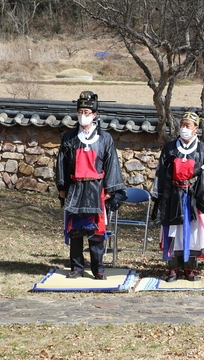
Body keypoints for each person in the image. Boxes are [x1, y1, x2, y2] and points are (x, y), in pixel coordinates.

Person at [56, 91, 126, 280]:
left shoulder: (105, 139)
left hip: (97, 189)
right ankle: (76, 267)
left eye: (87, 111)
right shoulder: (69, 137)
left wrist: (111, 190)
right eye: (80, 111)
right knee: (76, 231)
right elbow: (61, 163)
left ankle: (98, 268)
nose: (83, 115)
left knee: (96, 231)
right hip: (76, 188)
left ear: (95, 115)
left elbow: (112, 164)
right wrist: (62, 187)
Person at [151, 110, 204, 282]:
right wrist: (158, 195)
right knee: (174, 231)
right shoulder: (170, 148)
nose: (184, 128)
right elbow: (161, 172)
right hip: (173, 195)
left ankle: (190, 268)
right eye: (182, 125)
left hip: (194, 196)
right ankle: (173, 268)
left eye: (187, 126)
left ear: (196, 128)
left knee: (193, 232)